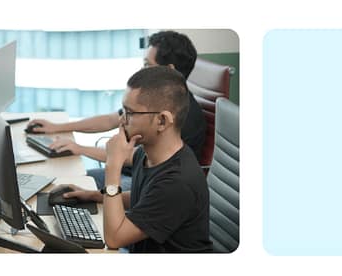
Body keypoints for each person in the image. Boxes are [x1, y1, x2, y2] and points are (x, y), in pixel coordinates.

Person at [28, 30, 207, 190]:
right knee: (66, 181)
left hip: (145, 181)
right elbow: (110, 120)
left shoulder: (182, 118)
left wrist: (80, 148)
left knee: (75, 183)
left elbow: (133, 157)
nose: (143, 70)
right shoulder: (152, 102)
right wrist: (57, 127)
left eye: (147, 65)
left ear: (168, 70)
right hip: (132, 171)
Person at [61, 66, 211, 253]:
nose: (122, 120)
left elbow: (115, 238)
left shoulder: (177, 182)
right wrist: (92, 196)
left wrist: (113, 166)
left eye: (130, 113)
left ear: (162, 121)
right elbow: (144, 200)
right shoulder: (148, 154)